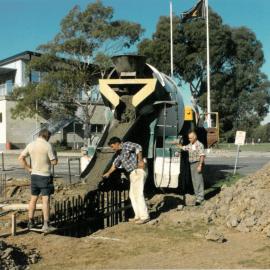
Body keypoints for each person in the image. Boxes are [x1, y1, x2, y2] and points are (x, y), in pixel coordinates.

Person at [103, 137, 150, 224]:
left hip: (138, 170)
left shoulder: (126, 145)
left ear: (117, 143)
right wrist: (108, 173)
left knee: (138, 193)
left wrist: (140, 160)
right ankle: (138, 216)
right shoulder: (119, 154)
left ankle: (145, 216)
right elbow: (115, 165)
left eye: (113, 146)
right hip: (132, 173)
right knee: (132, 195)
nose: (113, 149)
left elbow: (138, 147)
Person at [18, 128, 58, 232]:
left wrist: (29, 169)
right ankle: (46, 224)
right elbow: (54, 162)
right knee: (45, 200)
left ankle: (30, 222)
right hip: (45, 176)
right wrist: (55, 154)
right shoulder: (48, 146)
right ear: (47, 136)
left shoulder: (31, 144)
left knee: (33, 199)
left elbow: (20, 158)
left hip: (34, 175)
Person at [174, 131, 205, 205]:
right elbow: (184, 148)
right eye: (189, 138)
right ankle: (197, 196)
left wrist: (200, 165)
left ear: (195, 137)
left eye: (191, 138)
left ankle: (200, 197)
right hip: (192, 164)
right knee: (194, 180)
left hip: (197, 163)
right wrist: (177, 144)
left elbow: (202, 155)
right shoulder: (191, 144)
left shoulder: (199, 145)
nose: (189, 139)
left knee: (198, 180)